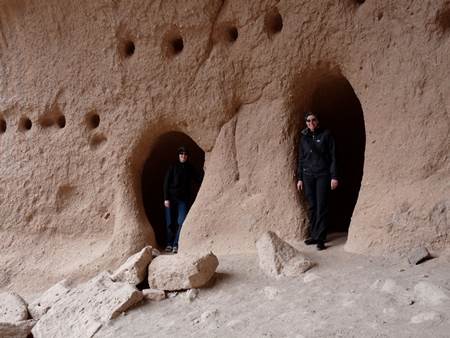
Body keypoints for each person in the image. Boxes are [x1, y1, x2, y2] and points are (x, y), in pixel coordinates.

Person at [297, 112, 338, 250]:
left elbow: (333, 156)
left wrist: (334, 176)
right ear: (306, 123)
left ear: (318, 121)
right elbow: (301, 159)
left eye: (313, 120)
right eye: (308, 121)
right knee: (313, 206)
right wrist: (299, 178)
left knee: (322, 206)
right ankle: (314, 235)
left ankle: (321, 238)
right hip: (308, 175)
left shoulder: (326, 135)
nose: (311, 123)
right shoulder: (304, 138)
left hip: (322, 175)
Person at [163, 146, 203, 254]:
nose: (183, 156)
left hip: (183, 200)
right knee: (170, 222)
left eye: (185, 154)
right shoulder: (173, 166)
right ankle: (169, 244)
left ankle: (176, 244)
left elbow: (198, 178)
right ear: (179, 155)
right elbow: (166, 183)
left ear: (187, 156)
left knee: (181, 221)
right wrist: (166, 198)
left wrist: (206, 169)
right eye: (181, 154)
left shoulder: (189, 168)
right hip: (171, 198)